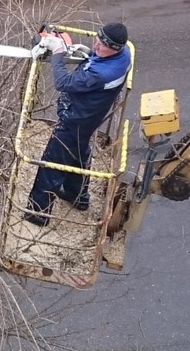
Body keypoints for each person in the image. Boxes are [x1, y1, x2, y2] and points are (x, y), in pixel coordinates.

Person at [24, 22, 132, 226]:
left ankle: (37, 213)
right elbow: (98, 58)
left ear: (115, 48)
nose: (97, 46)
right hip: (89, 118)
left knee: (52, 164)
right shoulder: (125, 53)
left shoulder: (99, 74)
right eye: (96, 42)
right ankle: (78, 196)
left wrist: (58, 52)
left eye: (102, 46)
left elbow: (62, 83)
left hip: (75, 119)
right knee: (78, 151)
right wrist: (88, 53)